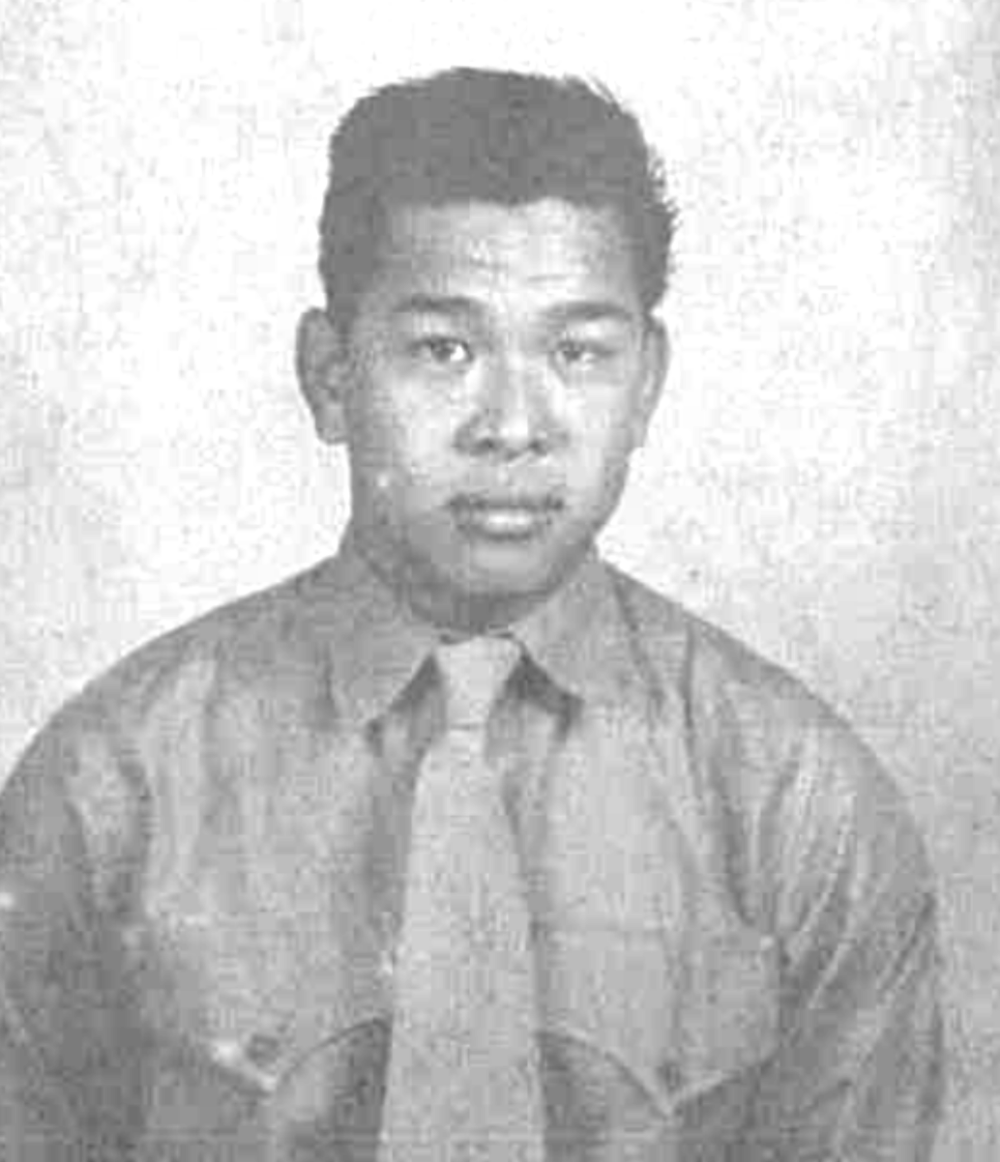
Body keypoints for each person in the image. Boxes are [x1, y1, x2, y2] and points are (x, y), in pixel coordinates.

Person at [0, 68, 943, 1160]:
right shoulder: (109, 788)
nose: (512, 424)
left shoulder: (802, 808)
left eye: (578, 352)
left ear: (645, 386)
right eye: (443, 349)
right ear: (330, 376)